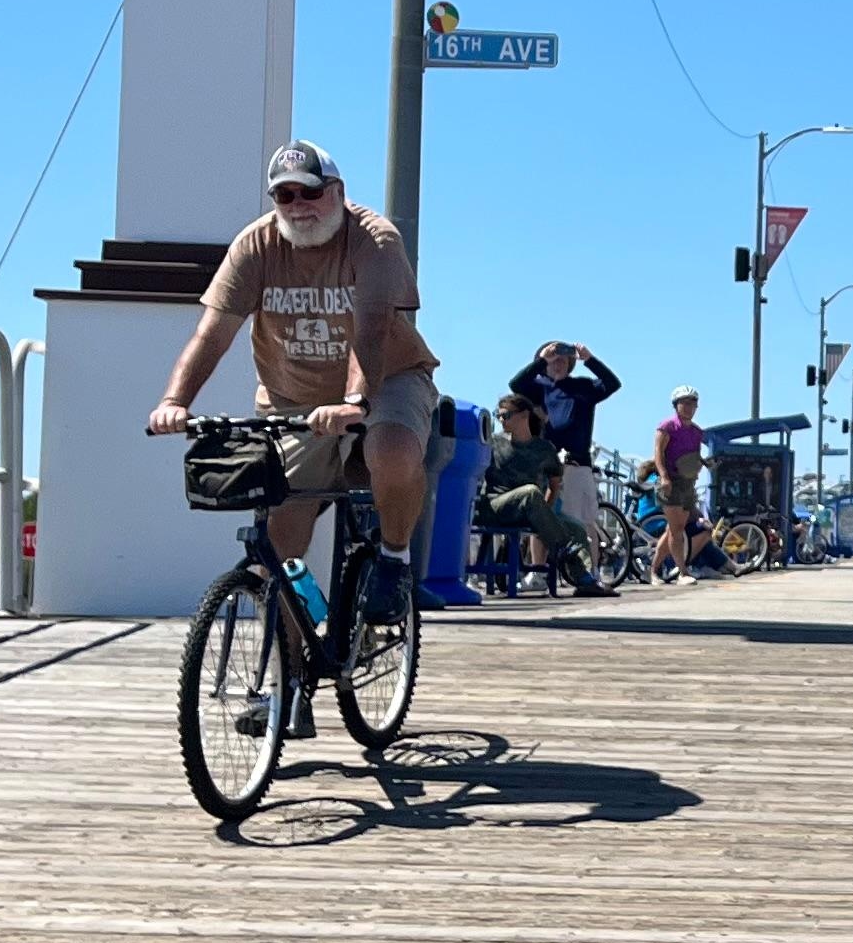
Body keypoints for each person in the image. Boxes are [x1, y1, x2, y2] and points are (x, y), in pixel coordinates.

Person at [147, 141, 441, 624]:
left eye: (310, 192)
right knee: (277, 549)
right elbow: (213, 333)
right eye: (285, 196)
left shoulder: (374, 239)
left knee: (392, 451)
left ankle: (394, 560)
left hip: (386, 377)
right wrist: (174, 401)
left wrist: (354, 401)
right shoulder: (255, 245)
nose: (298, 206)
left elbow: (371, 329)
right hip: (294, 398)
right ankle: (294, 665)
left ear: (338, 192)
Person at [475, 391, 594, 592]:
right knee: (530, 492)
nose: (501, 420)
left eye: (506, 415)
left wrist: (543, 513)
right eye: (498, 416)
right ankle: (566, 552)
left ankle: (585, 580)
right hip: (496, 506)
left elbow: (555, 484)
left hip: (529, 511)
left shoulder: (544, 449)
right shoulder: (493, 443)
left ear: (524, 415)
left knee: (577, 529)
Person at [513, 343, 623, 544]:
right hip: (546, 463)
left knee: (583, 522)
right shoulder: (539, 387)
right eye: (554, 360)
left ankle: (590, 562)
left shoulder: (584, 386)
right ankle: (539, 564)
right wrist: (541, 361)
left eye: (563, 360)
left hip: (577, 462)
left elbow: (612, 383)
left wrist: (589, 359)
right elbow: (516, 384)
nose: (558, 363)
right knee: (541, 520)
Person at [652, 388, 711, 578]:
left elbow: (693, 456)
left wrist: (703, 464)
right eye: (684, 403)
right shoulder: (667, 427)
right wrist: (663, 476)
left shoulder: (697, 432)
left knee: (673, 529)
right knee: (677, 530)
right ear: (676, 405)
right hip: (671, 481)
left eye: (692, 404)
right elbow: (658, 453)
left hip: (687, 482)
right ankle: (683, 573)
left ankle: (653, 570)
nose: (689, 407)